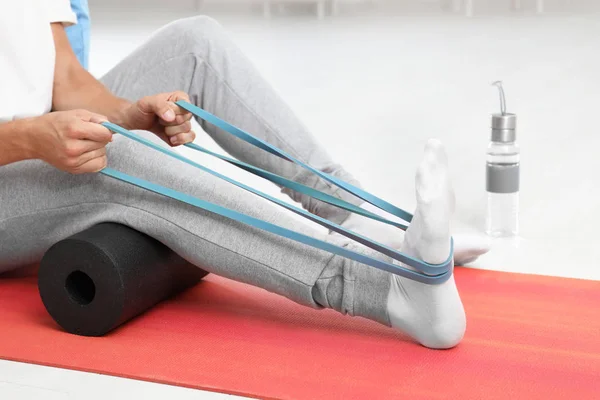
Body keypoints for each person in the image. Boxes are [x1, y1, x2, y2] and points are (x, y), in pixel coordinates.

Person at [0, 0, 487, 349]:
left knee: (195, 42)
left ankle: (359, 220)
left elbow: (64, 76)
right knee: (121, 158)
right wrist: (28, 139)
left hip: (35, 133)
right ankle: (383, 288)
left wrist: (126, 116)